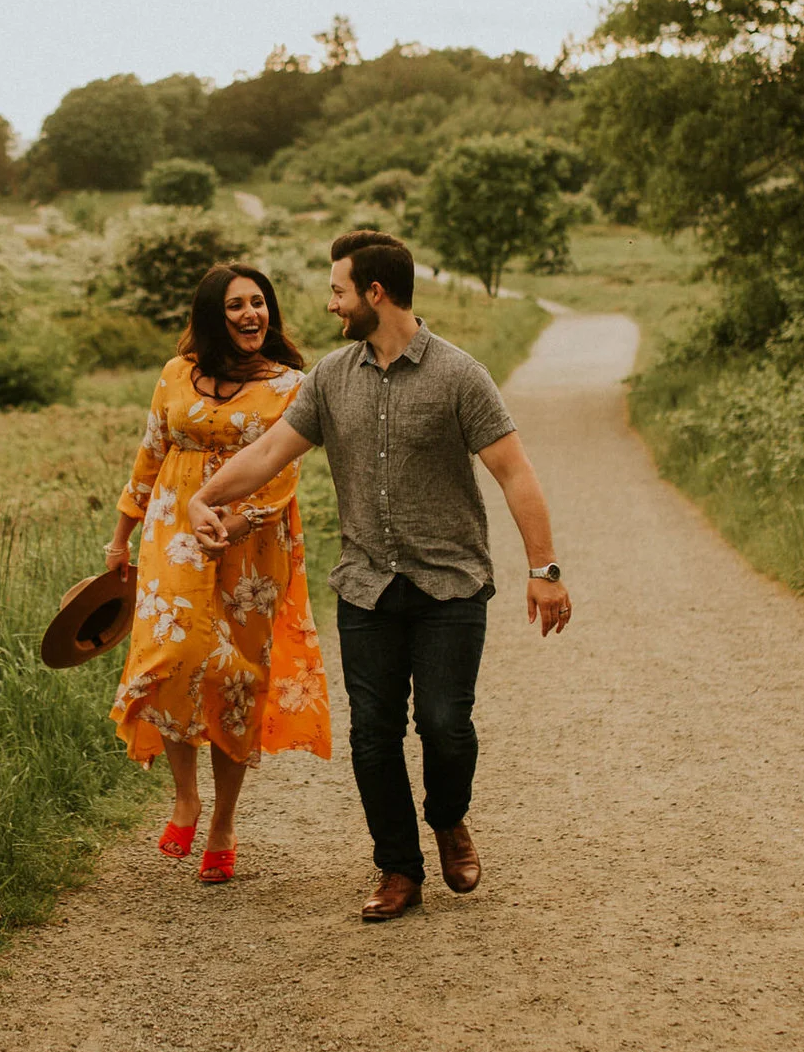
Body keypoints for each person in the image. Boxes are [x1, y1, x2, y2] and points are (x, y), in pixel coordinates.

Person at [189, 230, 570, 921]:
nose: (330, 304)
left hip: (449, 581)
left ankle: (448, 817)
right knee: (374, 732)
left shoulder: (459, 374)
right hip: (366, 584)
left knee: (445, 722)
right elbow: (271, 450)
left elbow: (515, 471)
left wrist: (543, 569)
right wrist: (206, 496)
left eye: (339, 290)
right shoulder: (331, 377)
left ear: (375, 292)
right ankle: (398, 865)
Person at [102, 262, 331, 885]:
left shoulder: (292, 384)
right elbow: (149, 455)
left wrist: (240, 519)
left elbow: (284, 471)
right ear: (212, 315)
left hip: (253, 543)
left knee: (235, 674)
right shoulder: (177, 375)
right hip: (172, 531)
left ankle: (223, 821)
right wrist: (120, 537)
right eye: (236, 306)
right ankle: (185, 796)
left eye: (259, 303)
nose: (251, 315)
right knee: (171, 655)